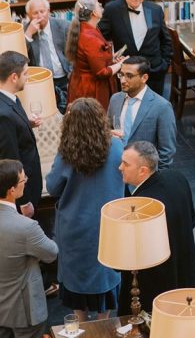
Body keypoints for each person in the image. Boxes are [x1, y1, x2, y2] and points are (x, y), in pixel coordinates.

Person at [45, 97, 124, 320]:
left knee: (76, 276)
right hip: (108, 223)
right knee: (106, 272)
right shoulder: (117, 146)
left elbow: (52, 186)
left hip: (75, 225)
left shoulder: (67, 153)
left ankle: (80, 322)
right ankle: (103, 323)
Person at [117, 140, 195, 314]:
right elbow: (191, 221)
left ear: (143, 171)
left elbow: (128, 258)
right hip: (185, 275)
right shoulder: (178, 178)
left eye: (125, 164)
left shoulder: (140, 206)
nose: (120, 167)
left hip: (156, 290)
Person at [0, 159, 58, 338]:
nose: (25, 183)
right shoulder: (26, 227)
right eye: (23, 181)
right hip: (25, 312)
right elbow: (51, 253)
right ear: (12, 190)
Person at [99, 0, 173, 95]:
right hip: (126, 73)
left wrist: (164, 64)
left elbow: (166, 40)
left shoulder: (156, 10)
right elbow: (100, 38)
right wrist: (112, 57)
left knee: (153, 108)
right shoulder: (112, 10)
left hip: (153, 71)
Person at [107, 56, 176, 168]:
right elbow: (108, 130)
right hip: (116, 168)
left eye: (129, 76)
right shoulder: (115, 99)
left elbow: (167, 152)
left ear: (144, 78)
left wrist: (153, 180)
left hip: (143, 175)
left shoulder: (162, 107)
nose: (123, 80)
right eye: (121, 75)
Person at [0, 51, 42, 215]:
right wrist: (23, 202)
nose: (28, 78)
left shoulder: (12, 99)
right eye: (25, 74)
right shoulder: (3, 115)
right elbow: (10, 159)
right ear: (14, 77)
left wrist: (26, 124)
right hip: (23, 193)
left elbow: (13, 134)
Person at [66, 0, 123, 109]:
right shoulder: (89, 37)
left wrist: (111, 60)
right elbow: (102, 72)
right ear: (94, 13)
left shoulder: (87, 28)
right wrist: (121, 64)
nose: (101, 7)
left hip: (81, 83)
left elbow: (93, 58)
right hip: (91, 90)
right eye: (99, 5)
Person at [23, 0, 70, 113]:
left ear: (48, 12)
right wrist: (29, 34)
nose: (40, 16)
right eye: (35, 13)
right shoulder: (25, 31)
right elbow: (20, 56)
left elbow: (74, 53)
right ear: (28, 16)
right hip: (41, 82)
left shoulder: (63, 26)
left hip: (64, 78)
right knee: (49, 113)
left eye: (42, 11)